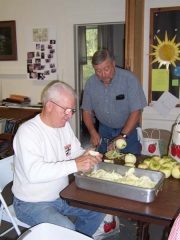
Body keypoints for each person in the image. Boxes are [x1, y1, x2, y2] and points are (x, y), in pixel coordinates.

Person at [12, 82, 119, 239]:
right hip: (31, 203)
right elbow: (34, 173)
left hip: (62, 196)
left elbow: (74, 152)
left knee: (101, 208)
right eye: (66, 110)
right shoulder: (28, 132)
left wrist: (87, 154)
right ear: (49, 105)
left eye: (72, 110)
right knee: (66, 228)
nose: (69, 115)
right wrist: (76, 164)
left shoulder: (63, 127)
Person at [82, 49, 147, 155]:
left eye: (106, 69)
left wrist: (123, 135)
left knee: (132, 163)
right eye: (98, 71)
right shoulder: (90, 84)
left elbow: (136, 111)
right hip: (104, 131)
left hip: (128, 130)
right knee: (105, 164)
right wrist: (93, 132)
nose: (103, 74)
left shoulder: (129, 80)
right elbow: (86, 112)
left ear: (113, 64)